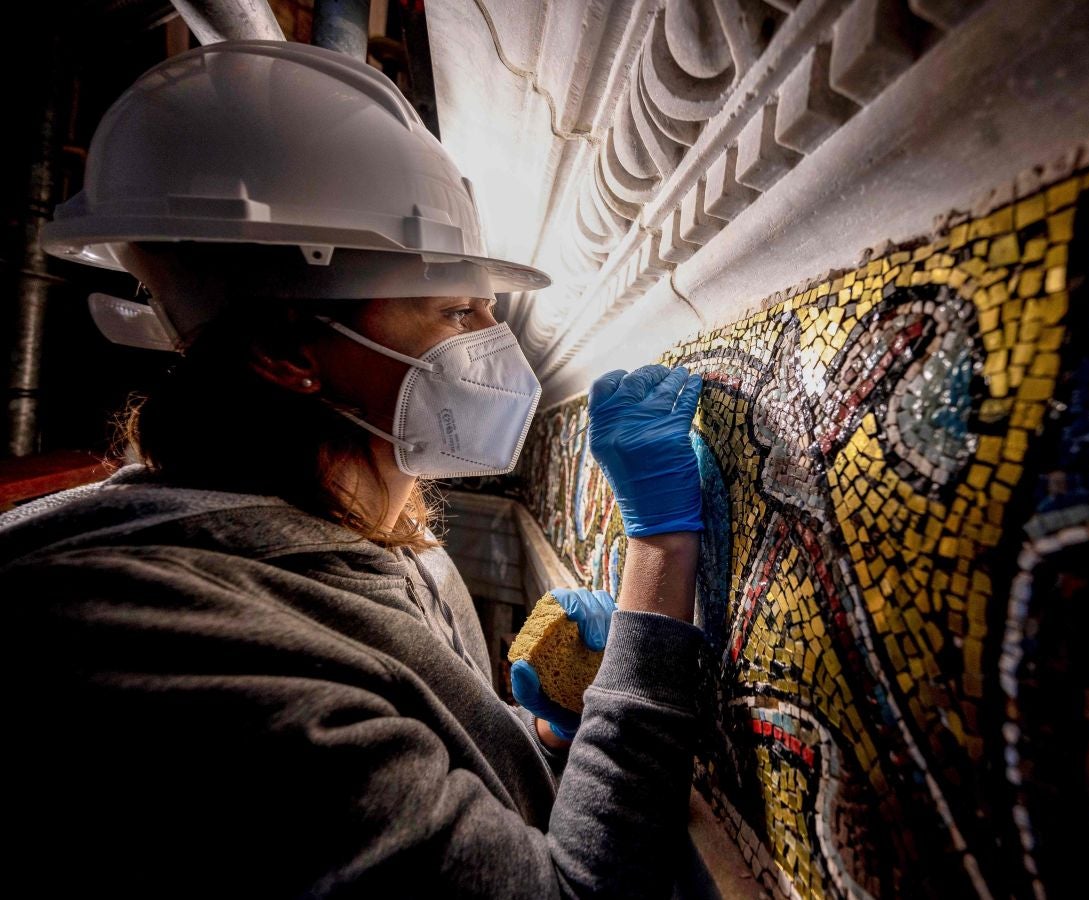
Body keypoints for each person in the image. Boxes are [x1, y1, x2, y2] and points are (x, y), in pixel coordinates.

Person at [1, 40, 707, 898]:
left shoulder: (374, 539)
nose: (496, 344)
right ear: (283, 352)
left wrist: (537, 741)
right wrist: (659, 557)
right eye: (455, 310)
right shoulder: (173, 651)